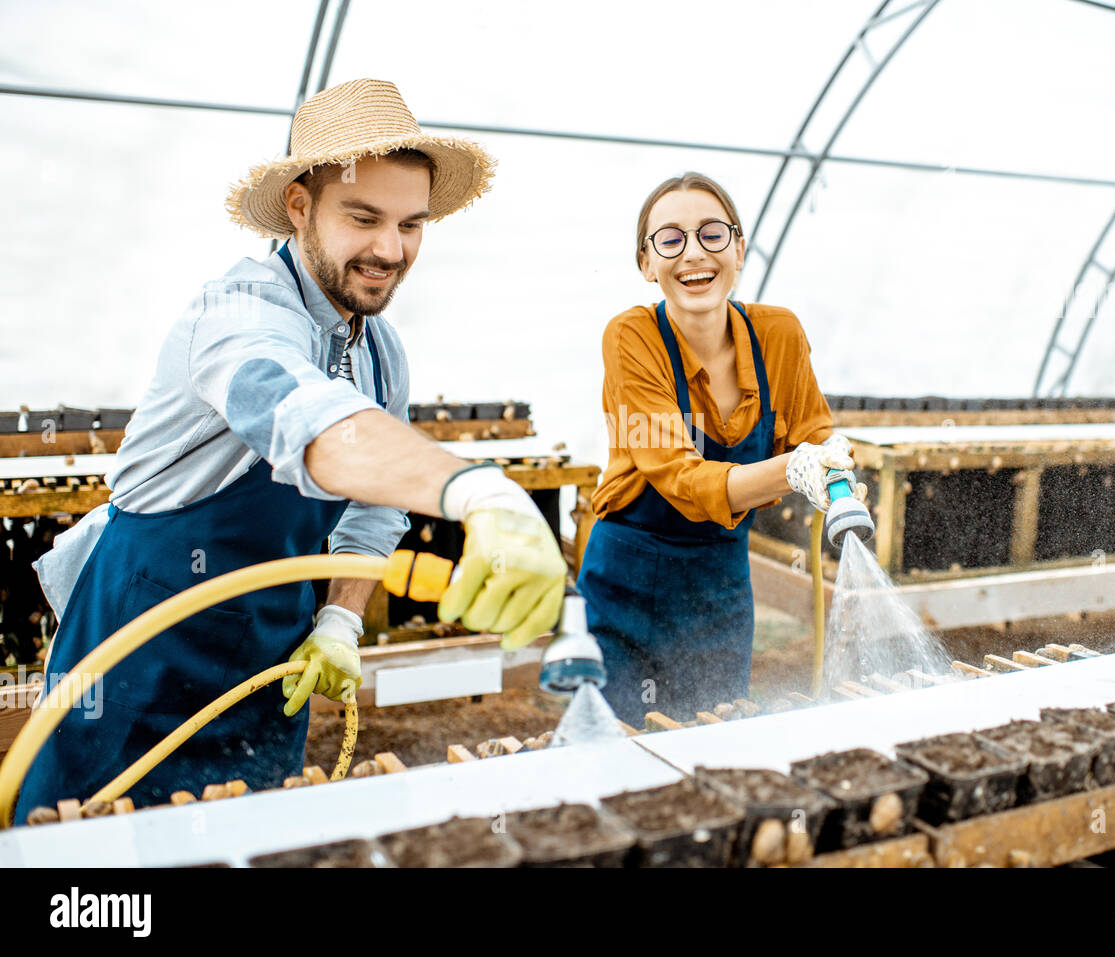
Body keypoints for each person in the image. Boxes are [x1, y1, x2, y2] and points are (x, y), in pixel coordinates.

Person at [16, 79, 565, 819]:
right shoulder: (237, 314)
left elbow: (370, 509)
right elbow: (307, 421)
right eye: (363, 217)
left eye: (411, 224)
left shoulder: (381, 353)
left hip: (268, 657)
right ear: (301, 206)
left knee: (251, 831)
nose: (390, 249)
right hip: (137, 650)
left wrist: (339, 620)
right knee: (94, 851)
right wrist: (478, 490)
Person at [577, 171, 867, 724]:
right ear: (646, 262)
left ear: (738, 248)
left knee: (711, 744)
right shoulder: (631, 336)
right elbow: (682, 479)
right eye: (670, 239)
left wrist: (835, 471)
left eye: (712, 234)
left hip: (720, 584)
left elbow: (814, 433)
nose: (693, 254)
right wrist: (793, 469)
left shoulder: (778, 333)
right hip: (627, 582)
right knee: (615, 753)